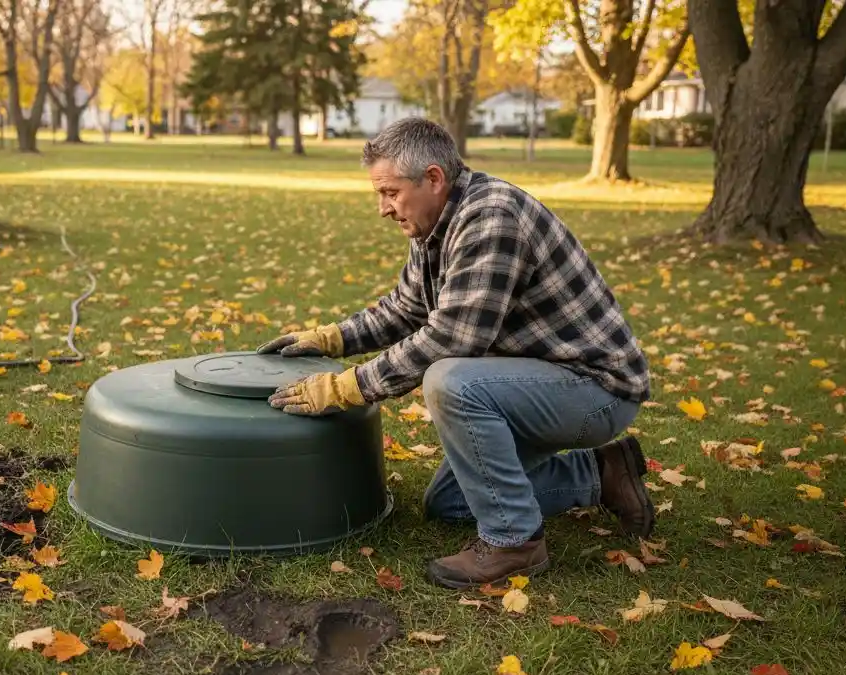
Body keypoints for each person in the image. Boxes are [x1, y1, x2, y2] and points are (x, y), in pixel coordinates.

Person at [257, 117, 653, 588]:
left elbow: (452, 339)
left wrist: (348, 387)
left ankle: (514, 542)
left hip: (595, 388)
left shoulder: (491, 218)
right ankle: (603, 472)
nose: (382, 208)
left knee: (450, 379)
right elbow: (406, 310)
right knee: (450, 503)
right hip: (537, 380)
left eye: (389, 192)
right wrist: (331, 338)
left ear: (433, 178)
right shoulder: (435, 222)